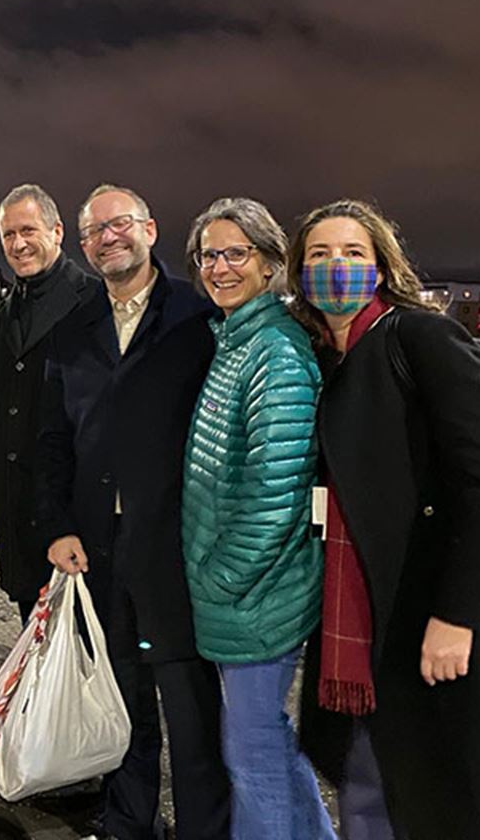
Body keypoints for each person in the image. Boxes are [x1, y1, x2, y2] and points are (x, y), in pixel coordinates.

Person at [288, 199, 480, 839]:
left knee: (452, 792)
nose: (335, 267)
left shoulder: (418, 337)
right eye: (318, 255)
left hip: (437, 605)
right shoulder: (330, 358)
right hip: (374, 607)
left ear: (380, 267)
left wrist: (457, 616)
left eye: (352, 253)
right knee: (374, 773)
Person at [38, 184, 230, 839]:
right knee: (121, 694)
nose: (107, 238)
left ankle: (206, 827)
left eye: (119, 224)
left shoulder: (199, 317)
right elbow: (52, 438)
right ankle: (128, 820)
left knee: (190, 702)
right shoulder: (73, 328)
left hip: (177, 543)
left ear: (150, 228)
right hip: (97, 541)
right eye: (94, 231)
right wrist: (58, 526)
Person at [179, 198, 333, 838]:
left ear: (270, 263)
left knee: (252, 758)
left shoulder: (275, 349)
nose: (219, 267)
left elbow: (275, 495)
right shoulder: (236, 337)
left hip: (255, 597)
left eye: (235, 253)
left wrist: (215, 581)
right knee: (267, 743)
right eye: (209, 255)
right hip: (243, 595)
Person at [0, 184, 99, 624]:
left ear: (56, 231)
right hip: (15, 504)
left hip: (70, 509)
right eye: (9, 235)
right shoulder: (6, 309)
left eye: (28, 230)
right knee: (32, 637)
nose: (18, 243)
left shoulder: (92, 300)